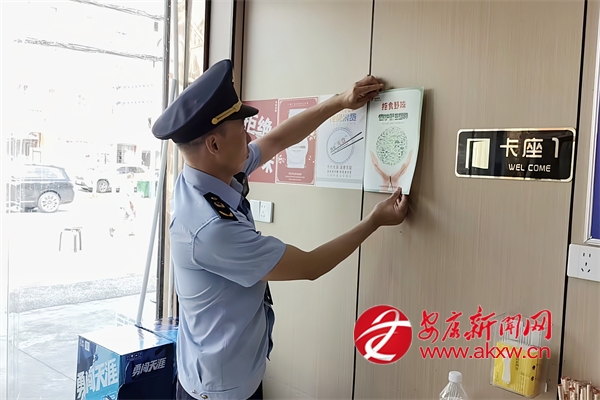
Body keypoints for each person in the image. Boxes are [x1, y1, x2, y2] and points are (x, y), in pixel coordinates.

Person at [151, 59, 410, 400]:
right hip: (221, 390)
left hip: (233, 368)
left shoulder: (206, 175)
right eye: (241, 131)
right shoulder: (211, 229)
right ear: (214, 145)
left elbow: (277, 140)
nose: (249, 136)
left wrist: (340, 101)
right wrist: (375, 220)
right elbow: (311, 265)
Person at [109, 173, 136, 237]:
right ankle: (131, 231)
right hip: (126, 202)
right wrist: (132, 204)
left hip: (122, 202)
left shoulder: (124, 183)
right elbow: (129, 195)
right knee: (131, 216)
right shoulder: (129, 184)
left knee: (124, 218)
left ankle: (114, 228)